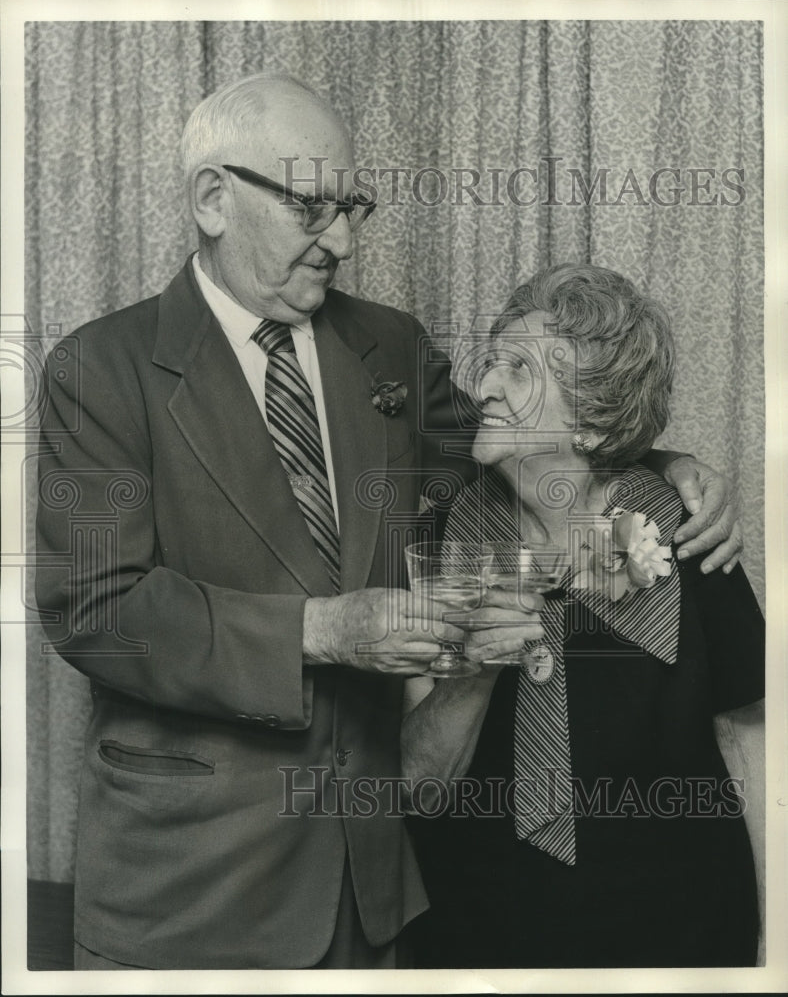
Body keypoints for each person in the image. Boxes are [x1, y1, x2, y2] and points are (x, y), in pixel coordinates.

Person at [34, 74, 742, 971]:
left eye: (352, 209)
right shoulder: (96, 370)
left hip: (376, 889)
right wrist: (321, 630)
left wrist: (665, 465)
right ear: (213, 198)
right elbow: (97, 611)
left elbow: (521, 438)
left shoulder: (391, 345)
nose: (340, 242)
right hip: (191, 891)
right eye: (311, 208)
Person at [403, 263, 764, 969]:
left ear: (595, 424)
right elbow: (418, 787)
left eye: (519, 371)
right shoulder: (440, 538)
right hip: (480, 939)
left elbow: (757, 757)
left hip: (681, 939)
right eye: (492, 364)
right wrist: (473, 670)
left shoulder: (688, 537)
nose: (484, 390)